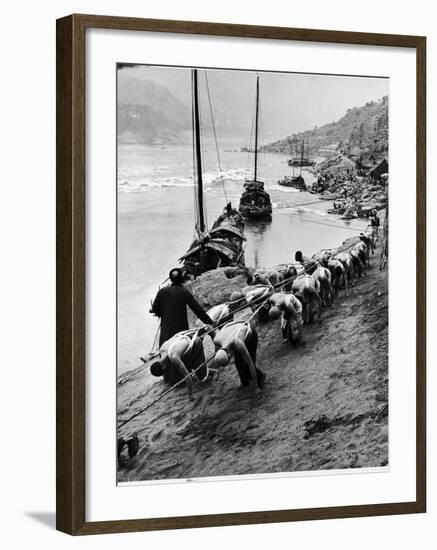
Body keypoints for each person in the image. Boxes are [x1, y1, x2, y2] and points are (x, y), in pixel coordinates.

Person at [151, 267, 213, 346]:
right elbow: (197, 310)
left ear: (170, 279)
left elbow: (155, 309)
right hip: (181, 335)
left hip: (165, 337)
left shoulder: (162, 291)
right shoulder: (184, 292)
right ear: (181, 278)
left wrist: (162, 313)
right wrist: (209, 322)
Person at [149, 328, 209, 401]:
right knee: (179, 365)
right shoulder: (162, 349)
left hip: (194, 341)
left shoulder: (174, 357)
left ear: (164, 368)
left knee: (202, 377)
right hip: (181, 338)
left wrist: (190, 395)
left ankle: (208, 372)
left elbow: (188, 377)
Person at [213, 321, 266, 394]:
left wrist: (256, 387)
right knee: (238, 363)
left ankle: (260, 378)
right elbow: (226, 325)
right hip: (236, 334)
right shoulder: (216, 340)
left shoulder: (238, 343)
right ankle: (245, 382)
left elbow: (250, 364)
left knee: (247, 365)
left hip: (250, 337)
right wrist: (240, 322)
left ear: (229, 354)